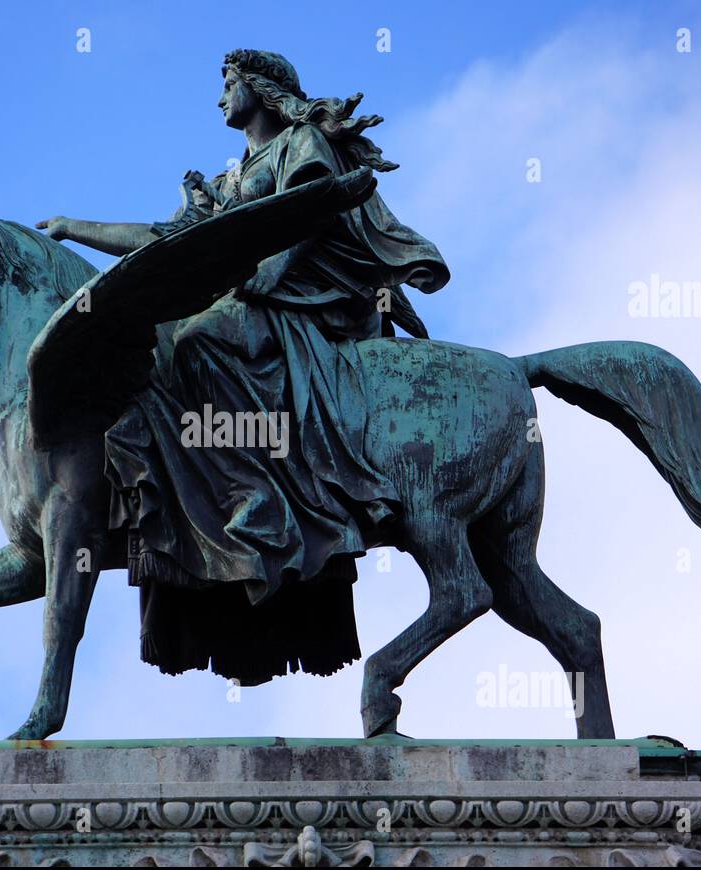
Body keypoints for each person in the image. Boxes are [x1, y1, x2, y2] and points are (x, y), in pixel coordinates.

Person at [37, 49, 449, 686]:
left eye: (227, 84)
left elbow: (309, 215)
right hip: (250, 299)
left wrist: (260, 280)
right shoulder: (231, 181)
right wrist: (72, 227)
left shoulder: (302, 141)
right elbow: (159, 241)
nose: (220, 98)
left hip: (299, 305)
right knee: (161, 351)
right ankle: (193, 500)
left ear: (260, 87)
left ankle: (255, 496)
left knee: (193, 341)